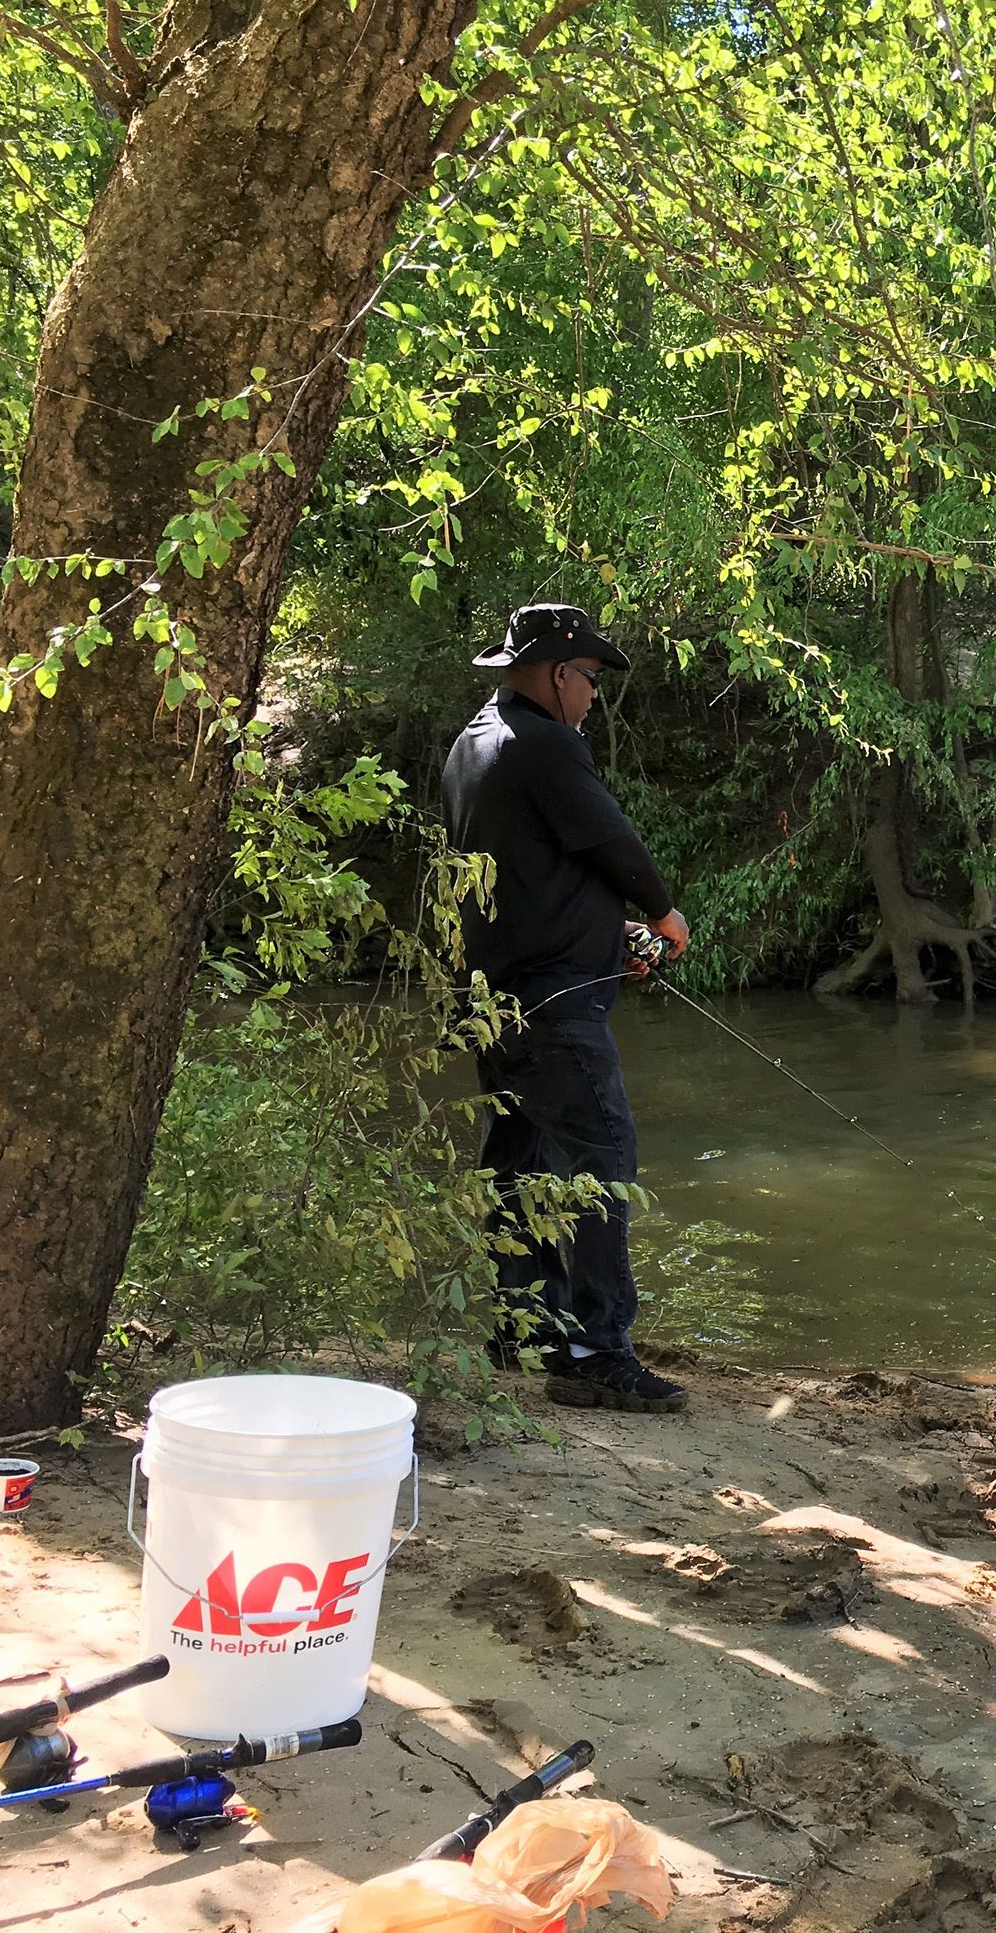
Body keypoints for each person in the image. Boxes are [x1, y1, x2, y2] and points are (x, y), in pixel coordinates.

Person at [443, 602, 693, 1413]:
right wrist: (661, 916)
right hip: (553, 1002)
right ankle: (593, 1348)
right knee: (603, 1156)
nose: (592, 696)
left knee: (518, 1161)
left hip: (497, 997)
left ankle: (521, 1324)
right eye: (588, 679)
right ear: (556, 673)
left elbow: (529, 875)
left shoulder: (474, 743)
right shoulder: (548, 744)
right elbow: (615, 844)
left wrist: (603, 931)